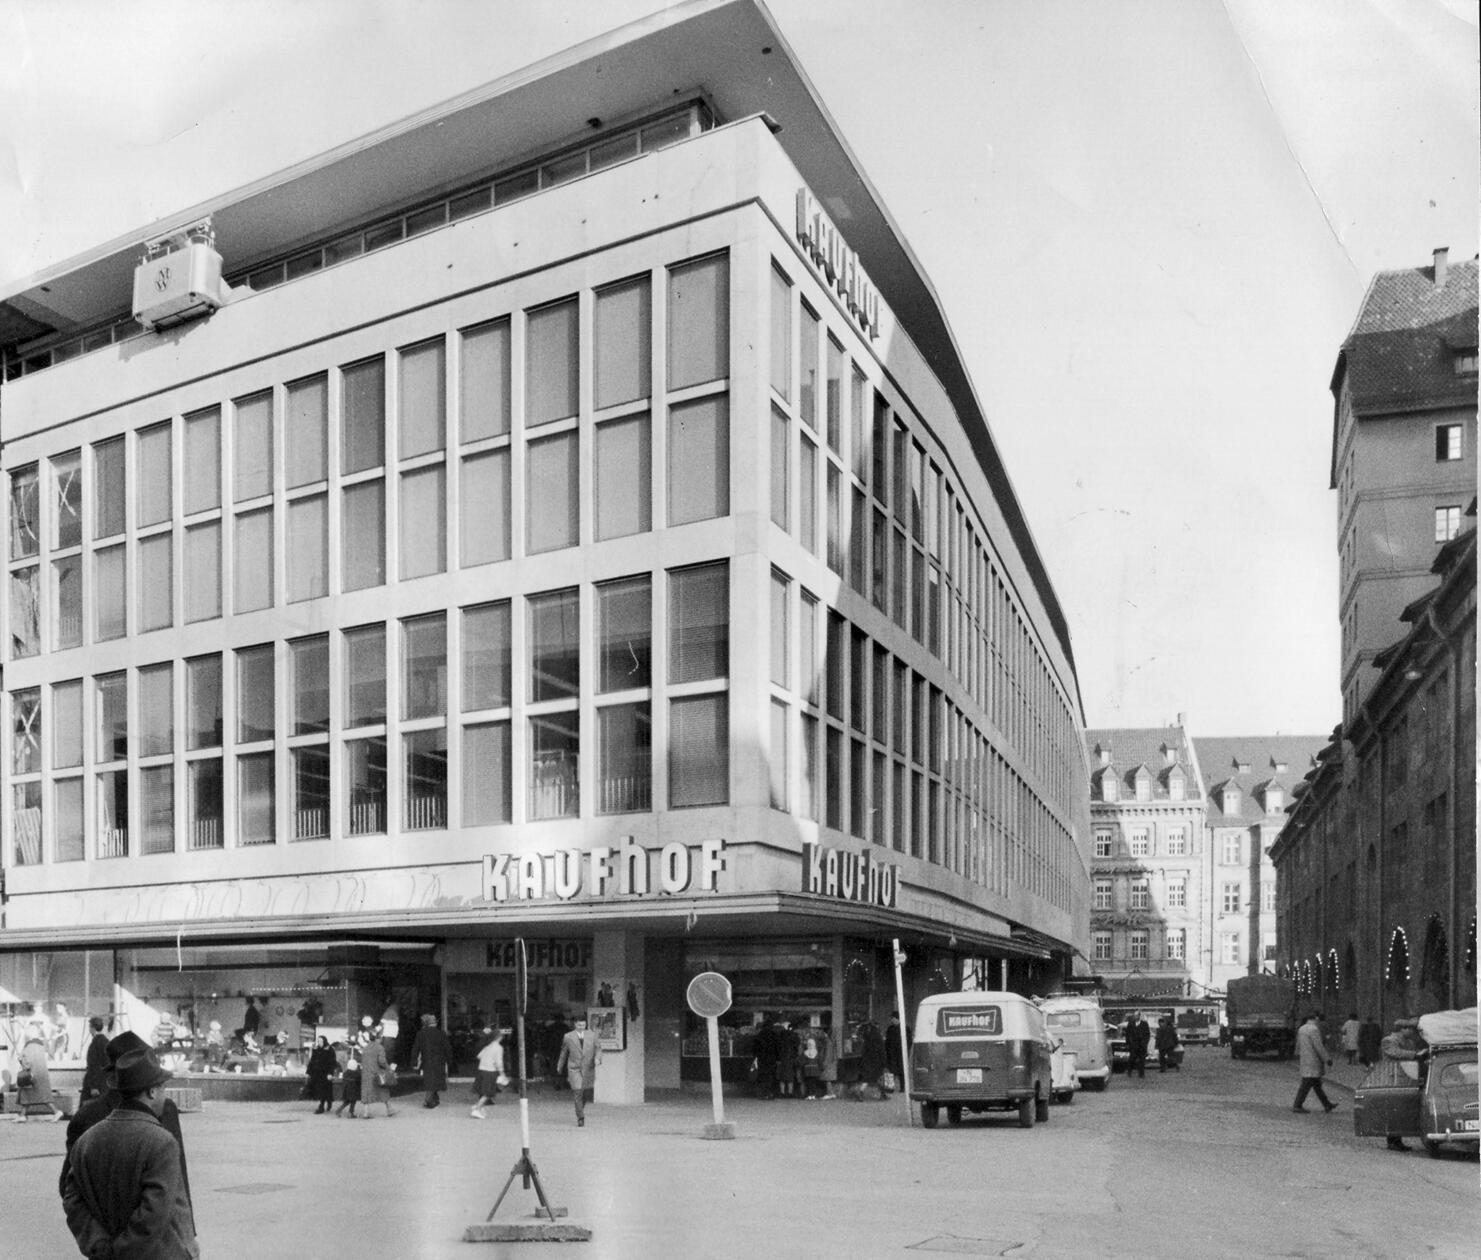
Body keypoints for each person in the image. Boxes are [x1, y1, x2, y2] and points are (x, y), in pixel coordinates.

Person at [61, 1046, 198, 1259]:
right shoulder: (161, 1142)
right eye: (163, 1088)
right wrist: (122, 1251)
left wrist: (98, 1243)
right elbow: (154, 1211)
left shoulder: (86, 1141)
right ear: (152, 1091)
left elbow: (72, 1198)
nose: (165, 1096)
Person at [63, 1031, 191, 1206]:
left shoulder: (86, 1115)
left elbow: (69, 1188)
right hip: (151, 1218)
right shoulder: (89, 1117)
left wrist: (90, 1223)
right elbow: (178, 1183)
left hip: (116, 1219)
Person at [555, 1015, 602, 1126]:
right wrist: (559, 1066)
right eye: (579, 1025)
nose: (582, 1027)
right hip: (574, 1068)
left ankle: (580, 1107)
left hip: (588, 1068)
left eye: (583, 1025)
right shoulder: (568, 1037)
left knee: (586, 1092)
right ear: (575, 1024)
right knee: (577, 1091)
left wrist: (597, 1058)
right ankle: (580, 1117)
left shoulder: (592, 1035)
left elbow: (598, 1048)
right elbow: (564, 1052)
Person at [1292, 1012, 1338, 1114]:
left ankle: (1327, 1104)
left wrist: (1297, 1053)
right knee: (1306, 1084)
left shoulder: (1301, 1029)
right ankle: (1297, 1105)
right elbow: (1318, 1046)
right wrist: (1327, 1059)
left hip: (1305, 1059)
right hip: (1313, 1060)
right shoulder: (1314, 1029)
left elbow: (1298, 1044)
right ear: (1315, 1019)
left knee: (1316, 1085)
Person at [17, 1032, 63, 1122]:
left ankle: (57, 1111)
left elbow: (26, 1062)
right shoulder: (41, 1048)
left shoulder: (28, 1048)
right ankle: (22, 1115)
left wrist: (20, 1060)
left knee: (27, 1094)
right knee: (40, 1096)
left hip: (31, 1076)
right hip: (41, 1075)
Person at [411, 1012, 452, 1109]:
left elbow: (415, 1049)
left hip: (427, 1060)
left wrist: (414, 1061)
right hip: (439, 1060)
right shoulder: (441, 1033)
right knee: (436, 1079)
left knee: (430, 1080)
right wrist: (450, 1061)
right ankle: (429, 1100)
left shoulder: (421, 1034)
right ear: (434, 1023)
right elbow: (447, 1048)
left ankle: (433, 1099)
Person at [358, 1026, 396, 1118]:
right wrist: (389, 1068)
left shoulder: (365, 1048)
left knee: (366, 1092)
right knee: (383, 1090)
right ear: (378, 1038)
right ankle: (389, 1109)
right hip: (377, 1072)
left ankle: (366, 1112)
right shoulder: (380, 1048)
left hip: (366, 1073)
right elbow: (382, 1061)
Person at [471, 1026, 506, 1118]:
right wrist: (502, 1074)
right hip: (490, 1071)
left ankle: (478, 1106)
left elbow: (479, 1056)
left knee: (484, 1091)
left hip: (481, 1070)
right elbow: (499, 1062)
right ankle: (477, 1108)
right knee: (488, 1093)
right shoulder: (499, 1048)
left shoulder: (488, 1046)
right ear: (499, 1037)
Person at [306, 1036, 338, 1114]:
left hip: (326, 1074)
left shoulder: (330, 1050)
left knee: (325, 1090)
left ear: (324, 1041)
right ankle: (322, 1105)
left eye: (320, 1041)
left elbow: (332, 1063)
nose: (319, 1043)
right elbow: (312, 1061)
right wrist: (308, 1072)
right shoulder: (316, 1049)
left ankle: (324, 1105)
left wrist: (330, 1073)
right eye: (318, 1041)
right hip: (317, 1074)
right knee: (321, 1091)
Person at [81, 1017, 110, 1100]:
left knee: (88, 1105)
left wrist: (93, 1086)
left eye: (89, 1027)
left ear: (92, 1028)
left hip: (96, 1083)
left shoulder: (94, 1044)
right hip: (105, 1082)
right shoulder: (107, 1042)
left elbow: (93, 1065)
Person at [752, 1014, 779, 1099]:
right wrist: (778, 1057)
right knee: (771, 1076)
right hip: (772, 1059)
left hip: (762, 1059)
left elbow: (755, 1048)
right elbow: (778, 1047)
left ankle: (763, 1094)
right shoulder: (774, 1035)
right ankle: (771, 1093)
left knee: (763, 1076)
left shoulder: (760, 1035)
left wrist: (756, 1055)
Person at [858, 1019, 886, 1097]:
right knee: (878, 1077)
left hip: (867, 1061)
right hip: (876, 1061)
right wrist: (884, 1061)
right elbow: (882, 1050)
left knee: (868, 1078)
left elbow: (863, 1051)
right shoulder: (878, 1037)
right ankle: (882, 1094)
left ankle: (861, 1092)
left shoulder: (866, 1037)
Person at [334, 1046, 362, 1118]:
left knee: (346, 1102)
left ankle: (338, 1110)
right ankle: (350, 1113)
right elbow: (359, 1082)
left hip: (346, 1090)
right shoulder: (357, 1073)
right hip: (353, 1091)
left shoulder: (345, 1073)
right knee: (353, 1102)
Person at [1126, 1013, 1150, 1079]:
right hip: (1133, 1045)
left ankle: (1141, 1074)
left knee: (1142, 1060)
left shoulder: (1145, 1024)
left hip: (1142, 1045)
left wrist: (1144, 1043)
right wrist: (1129, 1043)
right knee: (1132, 1059)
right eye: (1134, 1016)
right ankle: (1129, 1071)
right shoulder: (1130, 1024)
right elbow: (1127, 1034)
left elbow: (1147, 1034)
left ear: (1139, 1016)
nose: (1135, 1017)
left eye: (1136, 1015)